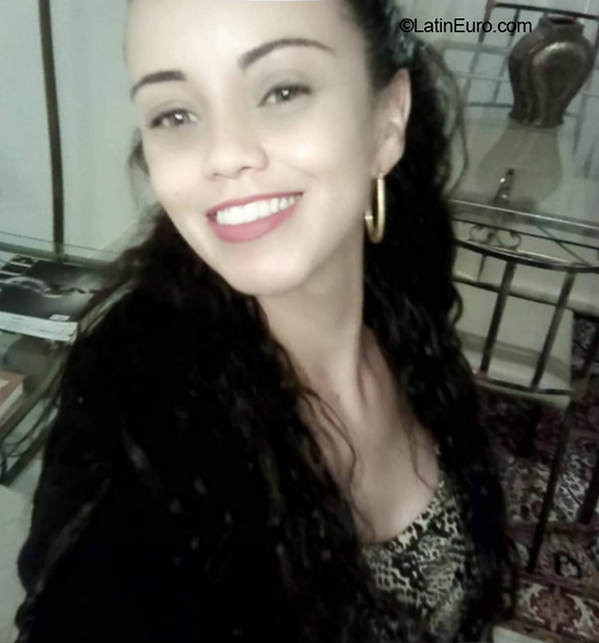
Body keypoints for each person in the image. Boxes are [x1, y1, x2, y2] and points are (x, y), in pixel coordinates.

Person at [13, 1, 518, 641]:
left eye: (282, 90)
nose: (225, 155)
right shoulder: (139, 414)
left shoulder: (405, 304)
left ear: (387, 121)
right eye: (174, 114)